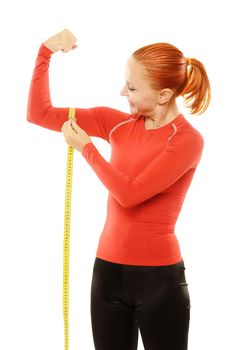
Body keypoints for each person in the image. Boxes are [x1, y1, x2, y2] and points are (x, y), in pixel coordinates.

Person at [26, 28, 211, 350]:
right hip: (107, 274)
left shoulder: (185, 140)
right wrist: (44, 53)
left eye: (132, 87)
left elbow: (130, 194)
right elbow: (39, 114)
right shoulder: (117, 123)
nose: (122, 92)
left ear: (164, 95)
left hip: (159, 281)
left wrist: (87, 149)